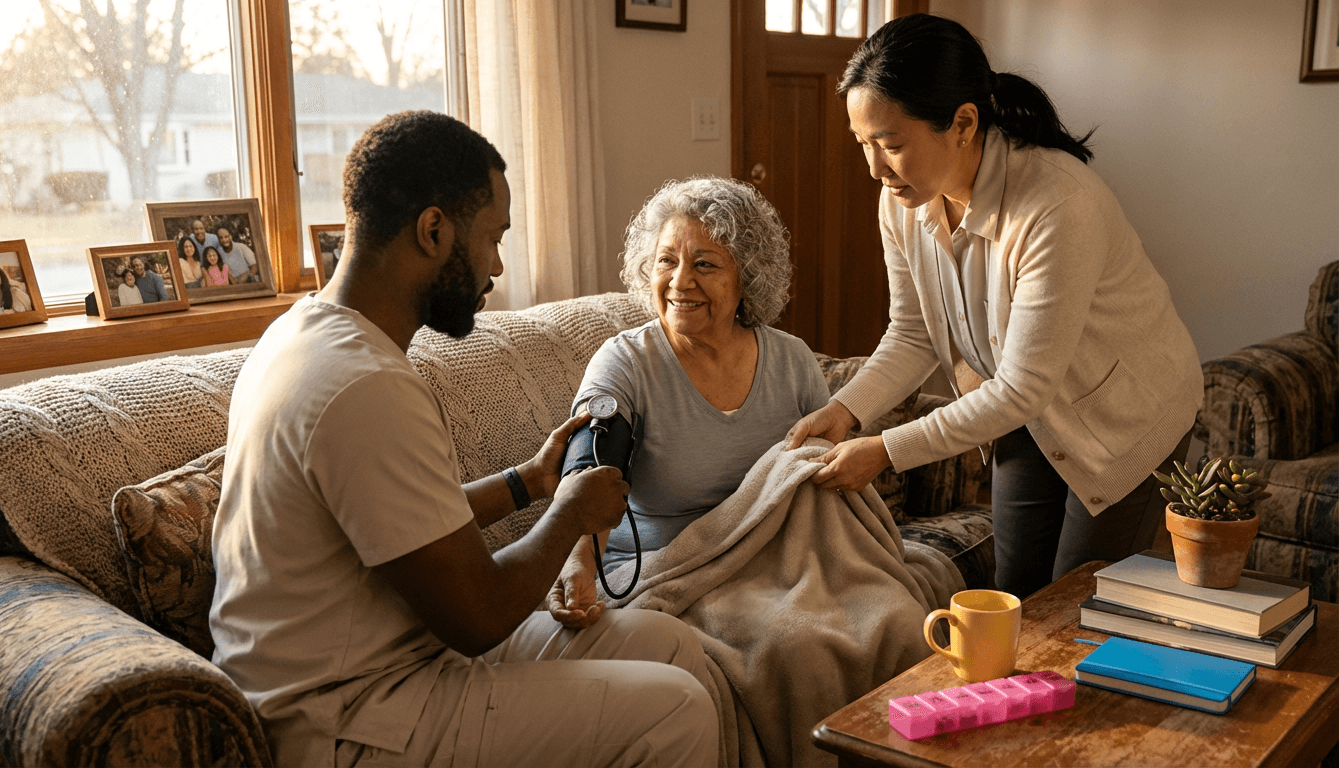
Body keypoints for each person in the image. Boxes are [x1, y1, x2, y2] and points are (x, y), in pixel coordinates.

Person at [210, 110, 718, 768]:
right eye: (493, 238)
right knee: (677, 708)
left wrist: (528, 483)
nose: (497, 266)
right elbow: (478, 617)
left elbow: (408, 529)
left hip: (390, 661)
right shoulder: (362, 385)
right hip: (347, 715)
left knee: (670, 644)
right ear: (433, 230)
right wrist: (569, 514)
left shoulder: (305, 333)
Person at [785, 14, 1203, 598]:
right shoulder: (902, 202)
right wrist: (845, 411)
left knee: (1078, 603)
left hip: (1126, 415)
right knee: (1016, 595)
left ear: (962, 123)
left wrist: (885, 451)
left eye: (891, 145)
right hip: (1024, 411)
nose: (874, 169)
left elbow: (1021, 388)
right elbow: (913, 334)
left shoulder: (1057, 204)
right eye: (864, 144)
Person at [550, 176, 831, 626]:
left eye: (704, 264)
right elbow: (592, 472)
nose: (680, 282)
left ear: (748, 275)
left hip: (770, 565)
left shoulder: (792, 360)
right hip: (659, 572)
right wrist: (579, 560)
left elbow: (824, 485)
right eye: (666, 260)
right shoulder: (625, 362)